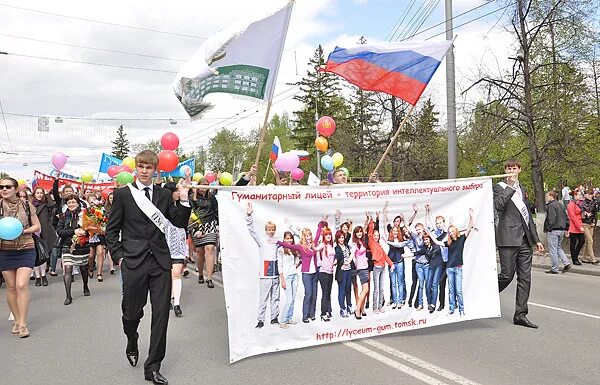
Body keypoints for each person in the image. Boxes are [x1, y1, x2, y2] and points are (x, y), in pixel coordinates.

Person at [105, 150, 191, 385]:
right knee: (131, 313)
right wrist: (119, 256)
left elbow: (178, 223)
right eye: (141, 167)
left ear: (156, 171)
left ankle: (152, 366)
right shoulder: (123, 195)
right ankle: (132, 339)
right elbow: (111, 230)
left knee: (161, 315)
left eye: (149, 167)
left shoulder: (164, 195)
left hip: (160, 262)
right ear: (136, 169)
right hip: (133, 262)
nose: (144, 171)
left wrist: (183, 199)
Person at [494, 158, 544, 329]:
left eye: (514, 168)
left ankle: (520, 314)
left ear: (519, 170)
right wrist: (509, 186)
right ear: (505, 170)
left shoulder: (523, 189)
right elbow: (499, 206)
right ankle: (485, 295)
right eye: (508, 168)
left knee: (525, 278)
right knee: (507, 275)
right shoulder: (499, 188)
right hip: (507, 238)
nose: (511, 170)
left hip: (524, 240)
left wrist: (536, 240)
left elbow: (528, 217)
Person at [0, 177, 41, 338]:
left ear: (16, 189)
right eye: (1, 187)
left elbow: (37, 226)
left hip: (26, 248)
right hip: (5, 250)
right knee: (11, 287)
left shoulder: (26, 205)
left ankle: (23, 323)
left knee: (21, 284)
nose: (4, 189)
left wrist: (22, 231)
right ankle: (17, 320)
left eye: (8, 187)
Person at [245, 202, 280, 328]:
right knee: (263, 298)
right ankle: (260, 320)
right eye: (269, 230)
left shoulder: (277, 240)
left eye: (272, 230)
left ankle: (274, 317)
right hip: (265, 273)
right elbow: (252, 230)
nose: (271, 232)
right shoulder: (261, 239)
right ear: (265, 230)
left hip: (275, 272)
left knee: (275, 297)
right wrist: (249, 216)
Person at [56, 195, 92, 305]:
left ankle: (85, 286)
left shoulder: (85, 215)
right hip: (67, 246)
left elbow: (91, 229)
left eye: (73, 202)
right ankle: (68, 296)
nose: (71, 204)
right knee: (67, 269)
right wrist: (74, 231)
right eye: (69, 202)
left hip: (82, 246)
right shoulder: (62, 216)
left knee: (83, 268)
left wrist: (84, 232)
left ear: (78, 203)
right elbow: (59, 231)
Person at [163, 182, 189, 318]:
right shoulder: (161, 207)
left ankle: (177, 303)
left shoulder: (181, 206)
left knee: (177, 273)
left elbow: (183, 222)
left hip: (178, 243)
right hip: (164, 243)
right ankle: (167, 299)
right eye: (176, 191)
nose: (179, 193)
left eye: (179, 191)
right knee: (167, 274)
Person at [31, 187, 57, 287]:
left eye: (41, 193)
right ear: (34, 194)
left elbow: (52, 204)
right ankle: (37, 277)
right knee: (36, 255)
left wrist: (47, 194)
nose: (39, 195)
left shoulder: (46, 204)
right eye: (37, 193)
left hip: (45, 231)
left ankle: (43, 276)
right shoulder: (30, 205)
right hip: (34, 231)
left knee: (44, 254)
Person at [543, 191, 571, 274]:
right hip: (561, 229)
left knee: (553, 250)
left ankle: (555, 268)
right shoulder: (561, 205)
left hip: (554, 230)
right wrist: (566, 228)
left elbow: (551, 219)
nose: (546, 197)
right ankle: (566, 262)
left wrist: (548, 228)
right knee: (558, 247)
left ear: (552, 196)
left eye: (547, 196)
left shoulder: (551, 206)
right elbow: (566, 217)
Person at [277, 231, 300, 327]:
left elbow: (296, 262)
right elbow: (280, 266)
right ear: (284, 239)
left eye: (290, 238)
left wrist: (297, 263)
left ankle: (289, 318)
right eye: (287, 238)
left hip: (294, 276)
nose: (289, 240)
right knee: (289, 299)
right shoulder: (281, 250)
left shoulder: (293, 250)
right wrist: (282, 279)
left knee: (293, 299)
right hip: (286, 277)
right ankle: (282, 321)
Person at [566, 189, 585, 266]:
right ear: (575, 196)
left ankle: (575, 255)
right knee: (573, 243)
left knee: (581, 241)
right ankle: (574, 259)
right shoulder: (571, 204)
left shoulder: (576, 203)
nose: (580, 196)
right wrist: (579, 226)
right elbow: (573, 217)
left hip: (578, 225)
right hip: (574, 227)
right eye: (579, 195)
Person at [580, 189, 598, 264]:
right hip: (584, 224)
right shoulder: (582, 203)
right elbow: (582, 212)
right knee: (590, 241)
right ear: (585, 195)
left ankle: (584, 257)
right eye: (588, 194)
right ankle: (593, 259)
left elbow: (594, 213)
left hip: (591, 224)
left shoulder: (593, 202)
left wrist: (594, 221)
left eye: (591, 194)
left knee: (588, 241)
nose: (590, 195)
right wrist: (585, 213)